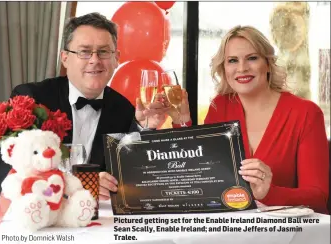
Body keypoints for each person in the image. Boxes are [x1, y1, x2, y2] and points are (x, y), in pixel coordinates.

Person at [102, 25, 329, 214]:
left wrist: (269, 193)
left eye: (252, 58)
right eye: (232, 60)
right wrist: (182, 122)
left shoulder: (306, 114)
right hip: (227, 231)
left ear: (267, 63)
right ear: (224, 68)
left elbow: (319, 198)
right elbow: (196, 176)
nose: (242, 68)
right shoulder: (220, 106)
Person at [0, 13, 169, 197]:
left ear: (116, 59)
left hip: (94, 220)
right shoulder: (31, 99)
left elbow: (131, 177)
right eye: (84, 51)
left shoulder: (123, 109)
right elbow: (12, 176)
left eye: (103, 52)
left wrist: (144, 127)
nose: (95, 60)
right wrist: (81, 183)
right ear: (65, 58)